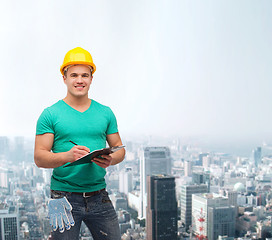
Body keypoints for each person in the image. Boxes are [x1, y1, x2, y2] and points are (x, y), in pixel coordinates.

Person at [34, 47, 125, 240]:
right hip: (62, 197)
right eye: (74, 75)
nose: (80, 80)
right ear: (64, 78)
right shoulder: (50, 114)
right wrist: (68, 156)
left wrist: (110, 159)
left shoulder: (105, 112)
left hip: (99, 194)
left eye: (85, 75)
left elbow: (119, 149)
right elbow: (40, 157)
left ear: (91, 78)